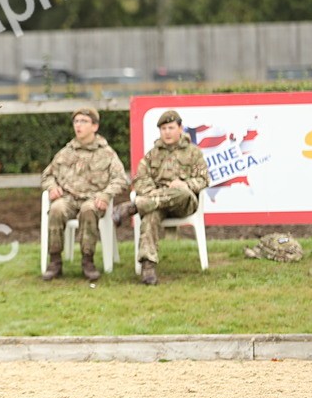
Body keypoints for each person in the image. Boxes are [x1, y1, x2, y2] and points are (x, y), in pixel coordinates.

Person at [113, 109, 210, 285]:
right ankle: (148, 266)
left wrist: (185, 184)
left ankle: (134, 206)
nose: (167, 132)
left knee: (181, 192)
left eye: (171, 127)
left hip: (183, 203)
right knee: (150, 215)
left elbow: (204, 179)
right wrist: (153, 194)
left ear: (180, 129)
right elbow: (140, 180)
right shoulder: (152, 155)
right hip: (156, 205)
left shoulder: (194, 153)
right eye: (163, 128)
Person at [40, 107, 129, 281]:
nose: (78, 126)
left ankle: (87, 261)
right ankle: (55, 261)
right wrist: (51, 187)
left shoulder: (106, 153)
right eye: (76, 122)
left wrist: (106, 195)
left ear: (94, 126)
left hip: (93, 199)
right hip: (68, 199)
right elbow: (47, 175)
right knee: (56, 210)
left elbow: (121, 179)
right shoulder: (66, 152)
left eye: (84, 122)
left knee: (89, 210)